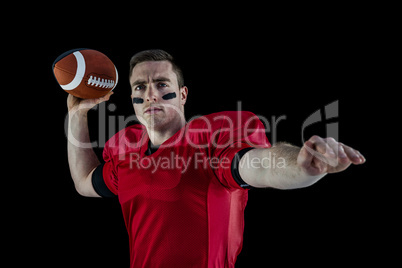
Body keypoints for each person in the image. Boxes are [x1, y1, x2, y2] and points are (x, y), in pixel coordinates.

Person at [67, 49, 366, 267]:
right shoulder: (127, 152)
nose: (150, 95)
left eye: (161, 84)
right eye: (140, 87)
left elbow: (256, 164)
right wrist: (77, 114)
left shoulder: (208, 140)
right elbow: (84, 181)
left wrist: (302, 166)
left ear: (183, 94)